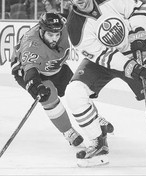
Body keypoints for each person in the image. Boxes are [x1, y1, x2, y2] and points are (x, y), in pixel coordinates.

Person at [64, 0, 146, 167]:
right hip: (103, 62)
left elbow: (137, 8)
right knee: (74, 92)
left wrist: (139, 33)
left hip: (131, 49)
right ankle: (98, 142)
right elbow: (102, 56)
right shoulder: (75, 27)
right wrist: (129, 66)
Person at [10, 12, 114, 149]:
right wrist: (36, 86)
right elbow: (30, 73)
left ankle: (93, 117)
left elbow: (77, 17)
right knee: (48, 95)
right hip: (27, 71)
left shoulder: (64, 25)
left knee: (76, 90)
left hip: (55, 66)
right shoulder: (31, 45)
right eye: (50, 35)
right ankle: (68, 131)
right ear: (41, 31)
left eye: (57, 35)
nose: (54, 38)